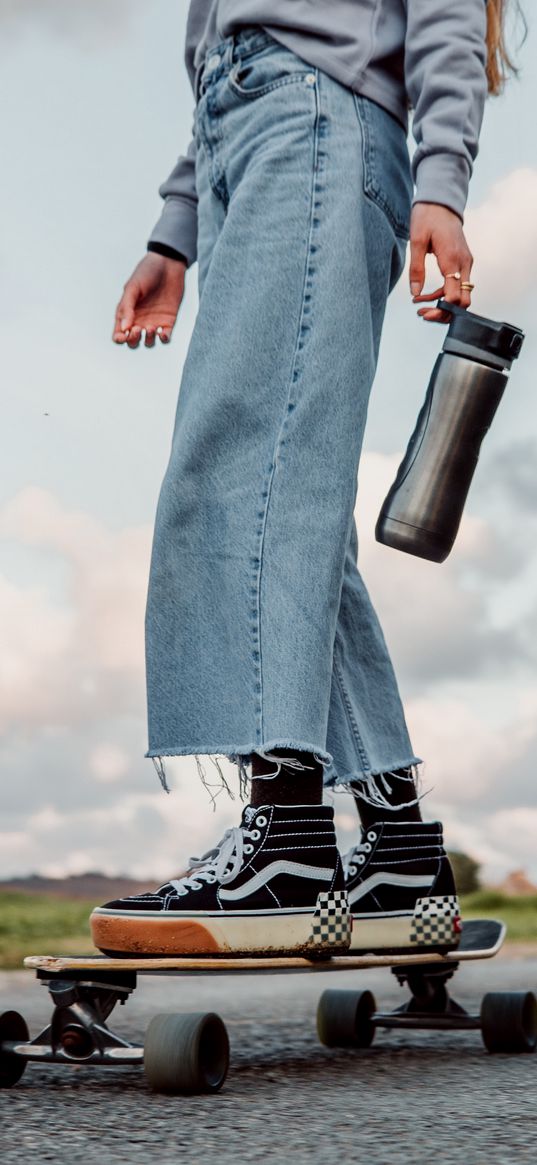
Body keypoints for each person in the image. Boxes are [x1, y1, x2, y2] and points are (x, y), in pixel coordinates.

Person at [90, 1, 520, 959]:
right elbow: (220, 49)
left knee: (245, 480)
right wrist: (176, 230)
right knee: (289, 503)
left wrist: (439, 183)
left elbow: (445, 9)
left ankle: (286, 838)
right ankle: (397, 841)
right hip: (245, 135)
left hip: (315, 125)